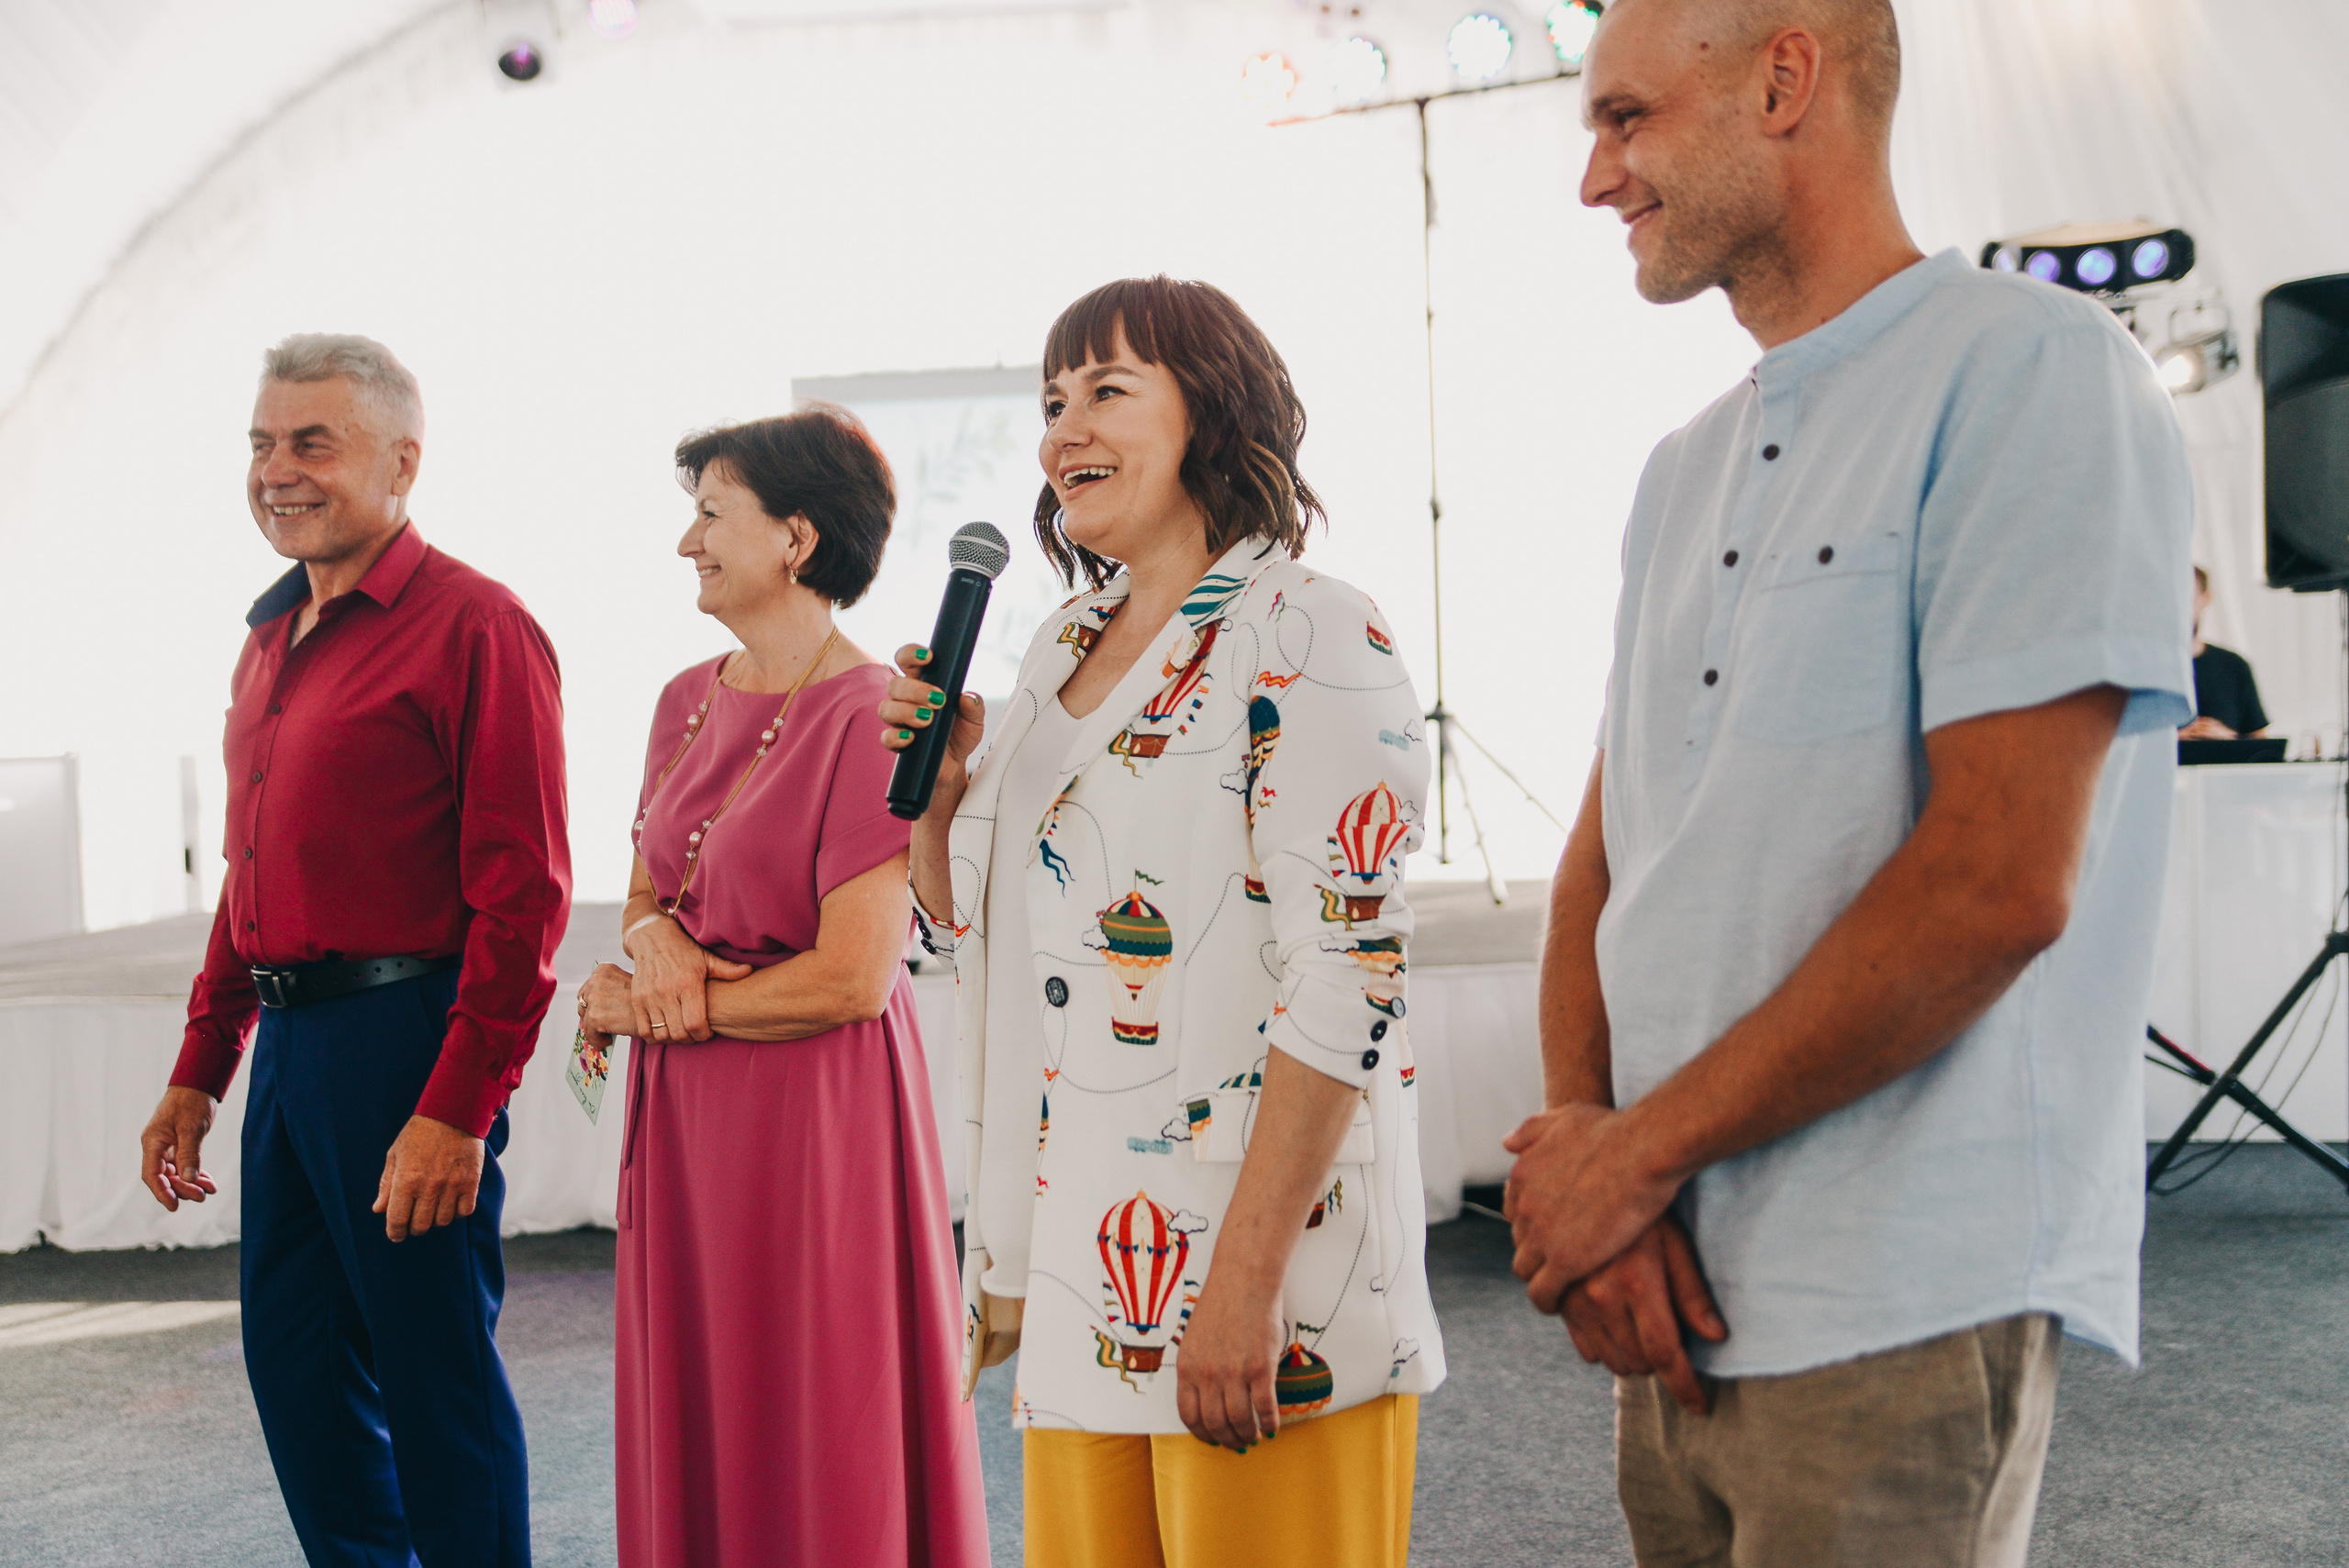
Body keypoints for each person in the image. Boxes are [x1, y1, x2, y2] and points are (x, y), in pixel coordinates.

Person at [1501, 4, 2194, 1565]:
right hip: (1667, 1291)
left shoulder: (2035, 373)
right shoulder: (1680, 468)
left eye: (1625, 118)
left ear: (1784, 78)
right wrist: (1587, 1148)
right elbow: (1605, 863)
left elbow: (1997, 881)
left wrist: (1632, 1159)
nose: (1596, 177)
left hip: (1901, 1295)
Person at [879, 276, 1444, 1568]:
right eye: (1051, 402)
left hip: (1260, 1279)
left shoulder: (1305, 624)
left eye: (1107, 389)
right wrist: (940, 806)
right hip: (1076, 1271)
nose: (1062, 428)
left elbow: (1351, 966)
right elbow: (985, 945)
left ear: (1213, 411)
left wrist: (1244, 1276)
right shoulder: (1061, 641)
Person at [137, 334, 570, 1568]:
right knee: (299, 1376)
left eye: (312, 443)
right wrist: (201, 1065)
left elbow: (525, 899)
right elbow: (251, 871)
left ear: (402, 462)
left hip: (403, 1042)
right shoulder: (270, 634)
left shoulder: (479, 626)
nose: (278, 469)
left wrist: (457, 1109)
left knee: (435, 1381)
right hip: (289, 1049)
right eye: (262, 443)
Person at [573, 407, 989, 1568]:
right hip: (687, 1120)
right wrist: (653, 945)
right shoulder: (683, 696)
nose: (687, 541)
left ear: (796, 539)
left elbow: (854, 978)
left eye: (711, 514)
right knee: (704, 1399)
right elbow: (649, 885)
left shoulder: (871, 712)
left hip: (815, 1113)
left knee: (817, 1404)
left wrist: (659, 1006)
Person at [2184, 565, 2269, 740]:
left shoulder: (2234, 665)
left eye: (2187, 597)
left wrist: (2227, 740)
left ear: (2206, 598)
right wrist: (2174, 739)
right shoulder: (2142, 668)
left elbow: (2260, 742)